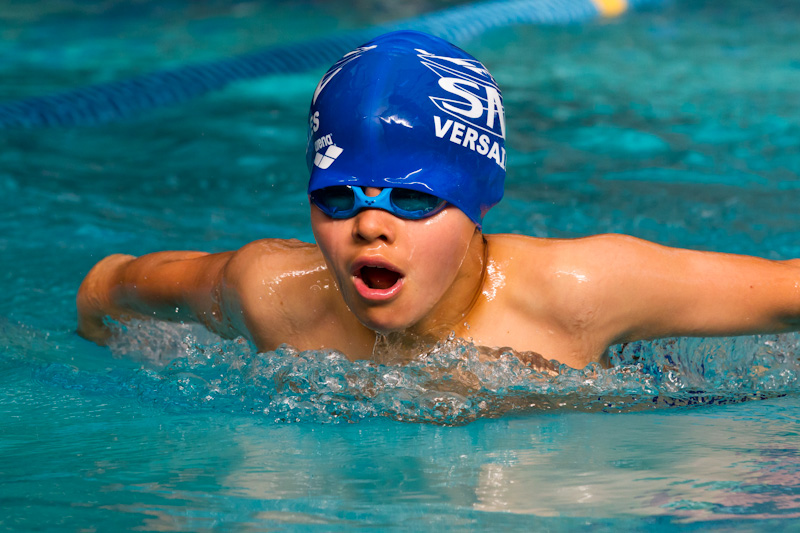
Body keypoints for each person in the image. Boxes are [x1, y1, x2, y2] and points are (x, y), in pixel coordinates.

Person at [77, 30, 800, 369]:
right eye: (338, 197)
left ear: (477, 201)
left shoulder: (580, 292)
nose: (369, 225)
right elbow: (110, 285)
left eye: (413, 199)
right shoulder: (272, 295)